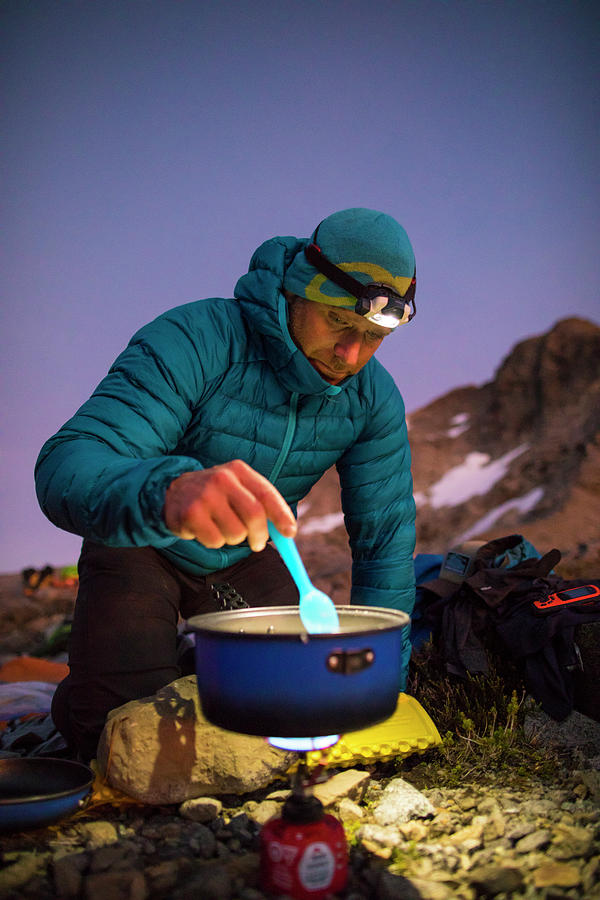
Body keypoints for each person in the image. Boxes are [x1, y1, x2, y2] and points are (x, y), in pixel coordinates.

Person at [35, 207, 418, 761]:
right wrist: (167, 491)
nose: (351, 355)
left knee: (297, 713)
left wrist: (387, 684)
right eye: (339, 323)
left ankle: (199, 664)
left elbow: (384, 541)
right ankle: (81, 700)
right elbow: (67, 464)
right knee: (124, 737)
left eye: (373, 336)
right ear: (297, 290)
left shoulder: (372, 399)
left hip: (252, 555)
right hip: (143, 543)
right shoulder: (197, 338)